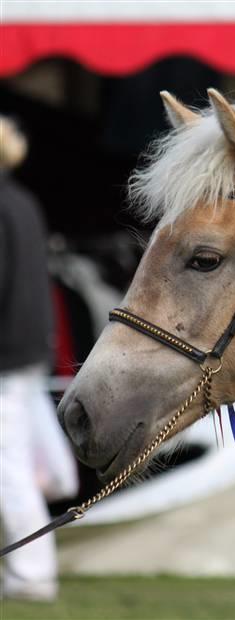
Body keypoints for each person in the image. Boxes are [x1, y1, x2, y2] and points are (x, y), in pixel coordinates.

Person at [0, 116, 78, 601]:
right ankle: (31, 568)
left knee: (9, 468)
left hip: (6, 354)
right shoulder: (22, 202)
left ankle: (32, 574)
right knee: (23, 463)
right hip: (27, 350)